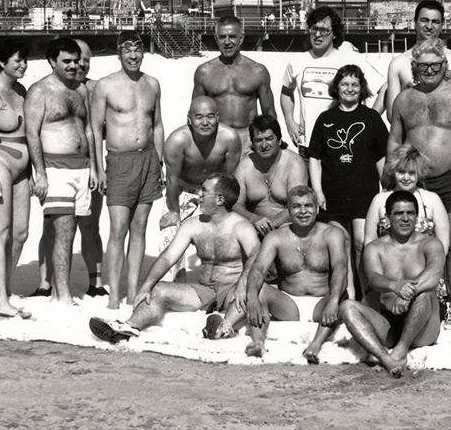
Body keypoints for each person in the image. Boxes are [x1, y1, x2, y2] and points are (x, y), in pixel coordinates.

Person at [87, 173, 259, 342]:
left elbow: (255, 254)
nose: (199, 195)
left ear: (220, 200)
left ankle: (223, 328)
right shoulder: (193, 224)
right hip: (204, 291)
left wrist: (243, 285)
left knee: (253, 293)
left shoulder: (241, 226)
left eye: (205, 191)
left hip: (233, 290)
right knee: (158, 290)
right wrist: (147, 286)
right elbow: (168, 257)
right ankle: (128, 327)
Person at [388, 38, 451, 328]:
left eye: (435, 65)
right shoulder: (404, 99)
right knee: (415, 242)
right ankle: (423, 297)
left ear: (444, 66)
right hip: (414, 180)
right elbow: (394, 139)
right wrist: (389, 175)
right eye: (423, 66)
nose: (429, 70)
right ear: (414, 67)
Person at [224, 185, 348, 361]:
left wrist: (334, 300)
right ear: (288, 210)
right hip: (289, 305)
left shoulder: (331, 234)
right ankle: (258, 343)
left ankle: (315, 345)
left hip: (321, 303)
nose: (303, 211)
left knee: (341, 294)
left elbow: (340, 267)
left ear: (317, 208)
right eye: (296, 206)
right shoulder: (276, 237)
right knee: (258, 290)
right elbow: (258, 268)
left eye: (308, 206)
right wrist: (252, 296)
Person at [92, 30, 165, 309]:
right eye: (127, 50)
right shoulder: (105, 85)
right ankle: (113, 295)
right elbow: (94, 129)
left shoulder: (152, 84)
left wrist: (159, 162)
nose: (133, 55)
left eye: (138, 50)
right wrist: (98, 169)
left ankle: (133, 292)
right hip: (119, 162)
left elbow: (157, 125)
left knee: (140, 227)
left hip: (147, 159)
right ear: (119, 53)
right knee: (118, 229)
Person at [31, 38, 106, 298]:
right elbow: (32, 134)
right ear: (52, 62)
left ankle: (67, 289)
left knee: (81, 226)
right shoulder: (39, 91)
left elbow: (88, 129)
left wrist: (95, 167)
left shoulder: (81, 90)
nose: (74, 66)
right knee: (64, 230)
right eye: (67, 61)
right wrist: (39, 173)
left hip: (83, 169)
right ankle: (61, 293)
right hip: (55, 169)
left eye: (77, 61)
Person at [339, 191, 443, 378]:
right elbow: (373, 278)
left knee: (425, 294)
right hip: (389, 323)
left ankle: (401, 350)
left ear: (416, 216)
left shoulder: (430, 244)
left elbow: (434, 273)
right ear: (387, 217)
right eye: (398, 213)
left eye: (410, 213)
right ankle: (385, 358)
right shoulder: (375, 248)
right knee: (347, 307)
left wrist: (408, 293)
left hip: (423, 325)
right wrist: (395, 286)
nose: (405, 219)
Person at [308, 64, 388, 297]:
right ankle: (351, 295)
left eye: (355, 84)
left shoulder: (371, 118)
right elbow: (315, 158)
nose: (350, 89)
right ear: (337, 87)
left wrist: (385, 190)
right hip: (333, 194)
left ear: (362, 88)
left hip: (365, 193)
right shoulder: (325, 119)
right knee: (340, 246)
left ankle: (368, 294)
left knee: (362, 243)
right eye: (345, 84)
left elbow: (381, 157)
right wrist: (318, 192)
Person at [280, 6, 381, 156]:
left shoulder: (349, 59)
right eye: (314, 29)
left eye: (324, 30)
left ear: (334, 34)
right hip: (308, 146)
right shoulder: (297, 61)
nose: (318, 35)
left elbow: (384, 88)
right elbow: (286, 91)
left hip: (342, 146)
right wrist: (290, 122)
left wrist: (368, 120)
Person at [0, 39, 32, 318]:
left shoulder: (20, 89)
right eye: (17, 60)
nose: (23, 65)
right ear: (2, 62)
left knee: (21, 232)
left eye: (25, 60)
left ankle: (3, 289)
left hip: (22, 167)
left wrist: (34, 172)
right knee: (1, 231)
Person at [193, 17, 275, 150]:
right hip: (216, 143)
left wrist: (274, 142)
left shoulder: (258, 71)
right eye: (222, 37)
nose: (227, 42)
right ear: (216, 38)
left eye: (232, 36)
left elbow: (269, 113)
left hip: (248, 143)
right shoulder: (204, 72)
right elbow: (195, 113)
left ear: (241, 38)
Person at [162, 96, 242, 228]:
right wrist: (174, 212)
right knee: (171, 238)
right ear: (190, 119)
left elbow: (230, 179)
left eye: (210, 116)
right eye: (199, 117)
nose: (205, 122)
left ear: (217, 117)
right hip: (182, 192)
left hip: (215, 193)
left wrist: (227, 209)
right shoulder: (177, 141)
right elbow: (172, 180)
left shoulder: (229, 138)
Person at [384, 0, 451, 118]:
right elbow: (392, 115)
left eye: (435, 22)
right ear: (415, 22)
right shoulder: (398, 63)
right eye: (424, 20)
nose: (429, 26)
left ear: (442, 25)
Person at [364, 145, 450, 257]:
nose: (406, 177)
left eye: (411, 173)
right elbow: (369, 241)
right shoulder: (379, 200)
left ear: (419, 173)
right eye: (401, 172)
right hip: (388, 266)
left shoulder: (432, 200)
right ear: (393, 171)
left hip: (424, 265)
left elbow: (443, 244)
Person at [232, 114, 308, 236]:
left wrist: (268, 225)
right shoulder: (246, 165)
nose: (264, 145)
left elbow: (298, 205)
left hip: (287, 227)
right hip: (254, 226)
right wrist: (254, 219)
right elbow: (236, 204)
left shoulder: (294, 163)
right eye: (258, 140)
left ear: (279, 140)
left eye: (269, 138)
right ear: (253, 143)